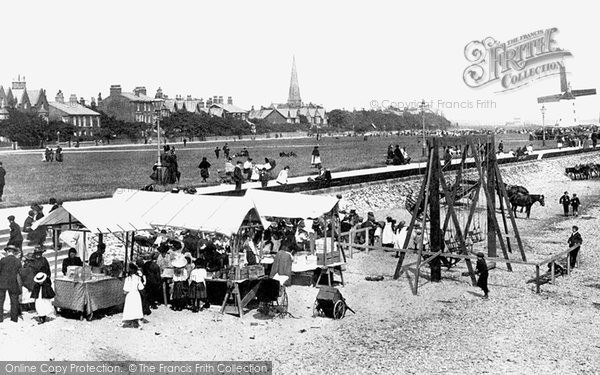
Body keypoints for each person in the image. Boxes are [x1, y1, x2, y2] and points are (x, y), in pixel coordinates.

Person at [0, 245, 22, 323]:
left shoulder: (2, 260)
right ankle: (14, 318)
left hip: (2, 282)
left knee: (0, 301)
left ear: (7, 252)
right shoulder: (17, 261)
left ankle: (0, 318)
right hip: (13, 283)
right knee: (14, 301)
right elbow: (20, 272)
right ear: (14, 252)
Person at [122, 263, 144, 328]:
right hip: (136, 294)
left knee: (130, 307)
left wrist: (124, 293)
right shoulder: (138, 278)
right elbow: (141, 287)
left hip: (130, 295)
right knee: (137, 308)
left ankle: (130, 321)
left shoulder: (127, 279)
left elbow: (125, 289)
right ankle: (138, 322)